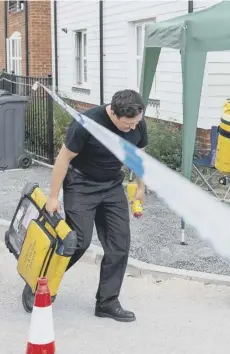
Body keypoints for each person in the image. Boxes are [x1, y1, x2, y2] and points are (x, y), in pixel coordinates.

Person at [45, 89, 148, 322]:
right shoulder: (86, 123)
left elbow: (138, 155)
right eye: (127, 125)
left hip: (112, 185)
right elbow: (63, 159)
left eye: (136, 123)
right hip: (81, 184)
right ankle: (41, 283)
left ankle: (107, 302)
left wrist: (141, 186)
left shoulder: (137, 123)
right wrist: (53, 197)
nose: (133, 128)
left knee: (119, 244)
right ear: (113, 113)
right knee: (78, 242)